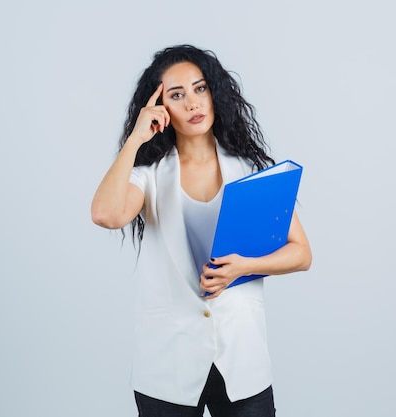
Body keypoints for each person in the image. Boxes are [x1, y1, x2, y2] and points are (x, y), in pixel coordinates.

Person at [91, 44, 312, 417]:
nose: (193, 103)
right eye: (177, 95)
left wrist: (245, 266)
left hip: (242, 360)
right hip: (167, 365)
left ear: (214, 93)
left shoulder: (251, 172)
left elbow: (302, 253)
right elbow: (106, 214)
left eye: (200, 88)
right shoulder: (148, 178)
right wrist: (135, 139)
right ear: (160, 109)